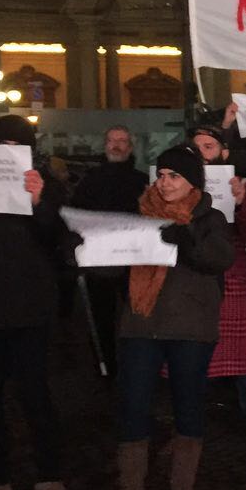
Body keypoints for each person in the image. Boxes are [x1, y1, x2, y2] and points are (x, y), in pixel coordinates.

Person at [97, 145, 235, 490]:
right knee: (133, 404)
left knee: (188, 404)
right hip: (142, 325)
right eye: (161, 175)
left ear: (192, 182)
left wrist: (185, 237)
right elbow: (115, 264)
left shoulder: (210, 217)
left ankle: (182, 486)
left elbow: (219, 258)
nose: (165, 183)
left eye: (174, 176)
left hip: (191, 327)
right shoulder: (140, 214)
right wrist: (88, 251)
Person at [0, 114, 66, 490]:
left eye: (15, 145)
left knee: (34, 395)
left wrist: (38, 202)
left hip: (29, 307)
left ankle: (49, 476)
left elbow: (59, 236)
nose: (7, 151)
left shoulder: (46, 182)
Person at [189, 125, 246, 453]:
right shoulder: (182, 185)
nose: (202, 154)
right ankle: (188, 430)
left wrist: (240, 205)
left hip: (235, 277)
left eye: (208, 146)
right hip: (196, 278)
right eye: (196, 147)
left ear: (223, 152)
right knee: (192, 358)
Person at [69, 125, 150, 375]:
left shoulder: (142, 181)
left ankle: (137, 365)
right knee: (101, 317)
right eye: (111, 140)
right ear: (105, 145)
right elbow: (77, 216)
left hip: (134, 261)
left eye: (121, 140)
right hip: (99, 261)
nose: (116, 145)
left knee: (138, 316)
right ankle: (105, 366)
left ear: (130, 146)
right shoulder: (90, 181)